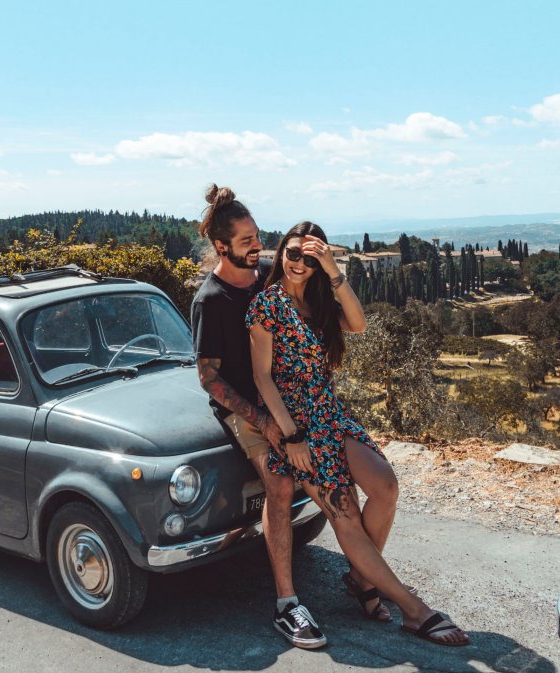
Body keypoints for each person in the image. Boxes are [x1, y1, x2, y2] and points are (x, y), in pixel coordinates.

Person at [246, 221, 469, 646]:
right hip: (299, 429)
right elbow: (262, 379)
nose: (300, 263)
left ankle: (362, 579)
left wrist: (333, 270)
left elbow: (360, 324)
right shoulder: (266, 306)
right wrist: (292, 438)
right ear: (280, 255)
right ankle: (413, 610)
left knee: (385, 486)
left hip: (331, 415)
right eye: (293, 253)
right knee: (344, 514)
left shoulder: (322, 300)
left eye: (310, 257)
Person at [191, 185, 326, 649]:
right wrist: (264, 422)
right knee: (281, 482)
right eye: (247, 239)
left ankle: (367, 583)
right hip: (245, 410)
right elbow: (209, 379)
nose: (257, 244)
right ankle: (287, 604)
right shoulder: (210, 300)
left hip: (288, 398)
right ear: (222, 246)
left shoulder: (269, 276)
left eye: (257, 235)